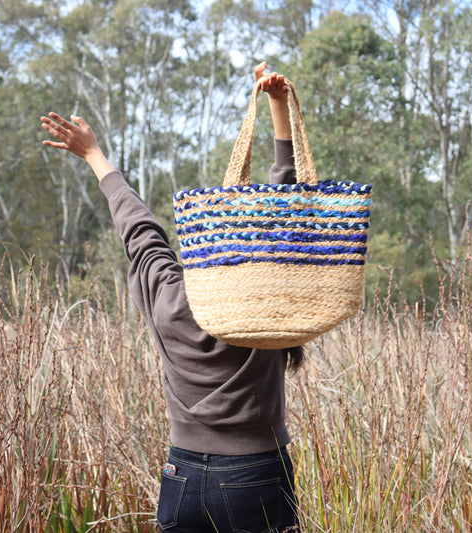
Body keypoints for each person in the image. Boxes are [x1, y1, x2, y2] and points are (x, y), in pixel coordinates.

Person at [40, 62, 301, 533]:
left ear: (198, 246)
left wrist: (94, 155)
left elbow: (139, 230)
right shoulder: (258, 302)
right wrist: (278, 105)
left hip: (182, 480)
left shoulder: (168, 298)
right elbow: (284, 203)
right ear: (249, 251)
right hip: (255, 475)